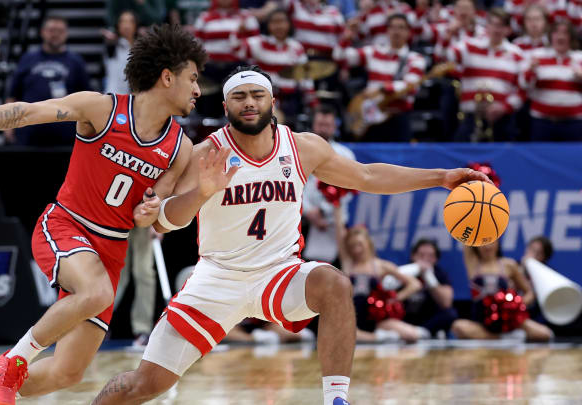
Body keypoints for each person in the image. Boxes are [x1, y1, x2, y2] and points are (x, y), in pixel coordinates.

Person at [88, 65, 491, 405]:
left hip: (278, 274)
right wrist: (202, 193)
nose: (249, 103)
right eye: (240, 96)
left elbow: (368, 176)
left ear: (272, 102)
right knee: (145, 385)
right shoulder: (203, 153)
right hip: (218, 278)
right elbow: (163, 222)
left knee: (333, 284)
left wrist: (441, 177)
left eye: (258, 95)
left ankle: (337, 399)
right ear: (225, 105)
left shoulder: (302, 147)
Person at [0, 24, 207, 405]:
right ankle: (7, 366)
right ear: (167, 76)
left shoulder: (179, 148)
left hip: (112, 247)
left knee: (68, 372)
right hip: (66, 225)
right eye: (193, 78)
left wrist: (150, 209)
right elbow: (28, 113)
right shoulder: (101, 108)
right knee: (96, 292)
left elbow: (148, 217)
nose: (197, 90)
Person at [335, 14, 426, 142]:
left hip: (398, 118)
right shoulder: (374, 52)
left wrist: (381, 89)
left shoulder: (415, 58)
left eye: (401, 28)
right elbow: (340, 57)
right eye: (393, 27)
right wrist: (347, 37)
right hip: (373, 118)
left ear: (408, 32)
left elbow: (411, 87)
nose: (396, 31)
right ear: (387, 31)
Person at [5, 17, 91, 146]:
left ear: (66, 34)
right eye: (51, 30)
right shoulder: (28, 59)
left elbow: (87, 99)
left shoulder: (76, 62)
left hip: (66, 134)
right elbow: (13, 95)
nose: (55, 34)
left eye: (60, 31)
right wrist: (7, 126)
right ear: (42, 32)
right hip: (30, 132)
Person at [451, 241, 554, 341]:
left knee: (545, 334)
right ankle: (505, 338)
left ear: (497, 243)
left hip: (508, 320)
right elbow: (466, 240)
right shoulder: (473, 264)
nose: (487, 247)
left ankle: (501, 336)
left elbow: (530, 292)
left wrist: (516, 305)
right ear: (477, 246)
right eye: (483, 244)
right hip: (482, 323)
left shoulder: (508, 265)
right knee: (458, 327)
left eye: (490, 242)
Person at [448, 9, 524, 142]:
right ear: (486, 26)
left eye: (500, 25)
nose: (496, 29)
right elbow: (446, 57)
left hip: (502, 120)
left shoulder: (517, 54)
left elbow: (522, 90)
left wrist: (505, 107)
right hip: (471, 118)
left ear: (507, 29)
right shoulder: (469, 46)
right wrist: (451, 33)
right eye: (492, 24)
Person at [341, 226, 428, 342]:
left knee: (411, 335)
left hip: (376, 318)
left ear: (368, 242)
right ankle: (380, 337)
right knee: (346, 335)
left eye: (359, 244)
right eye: (352, 246)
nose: (357, 249)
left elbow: (414, 284)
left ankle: (413, 331)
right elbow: (339, 234)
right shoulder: (348, 265)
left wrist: (396, 298)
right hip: (353, 317)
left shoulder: (380, 265)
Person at [302, 105, 355, 266]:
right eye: (320, 124)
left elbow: (351, 188)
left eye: (328, 125)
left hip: (336, 220)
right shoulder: (300, 151)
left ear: (334, 127)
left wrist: (325, 210)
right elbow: (292, 184)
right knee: (303, 268)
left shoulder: (344, 154)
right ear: (313, 125)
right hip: (303, 219)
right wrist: (308, 211)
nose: (323, 128)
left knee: (338, 269)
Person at [520, 20, 582, 141]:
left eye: (565, 33)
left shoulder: (580, 58)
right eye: (556, 33)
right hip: (542, 123)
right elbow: (523, 84)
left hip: (574, 123)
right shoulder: (537, 55)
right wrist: (530, 71)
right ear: (550, 36)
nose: (560, 37)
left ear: (571, 37)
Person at [384, 239, 458, 338]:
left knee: (450, 314)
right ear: (413, 256)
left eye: (430, 256)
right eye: (421, 255)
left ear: (436, 259)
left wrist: (429, 277)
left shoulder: (440, 274)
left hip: (427, 319)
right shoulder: (403, 271)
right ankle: (416, 333)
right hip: (405, 317)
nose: (425, 259)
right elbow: (388, 291)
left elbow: (446, 303)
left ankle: (423, 333)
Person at [113, 226, 159, 346]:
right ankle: (99, 321)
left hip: (146, 219)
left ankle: (142, 329)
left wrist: (158, 224)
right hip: (120, 217)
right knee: (116, 273)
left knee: (144, 272)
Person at [101, 11, 138, 94]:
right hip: (112, 96)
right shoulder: (113, 45)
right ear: (118, 25)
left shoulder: (140, 48)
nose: (126, 26)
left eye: (130, 21)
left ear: (136, 25)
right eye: (123, 21)